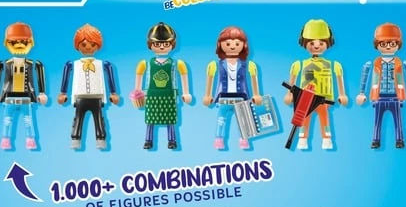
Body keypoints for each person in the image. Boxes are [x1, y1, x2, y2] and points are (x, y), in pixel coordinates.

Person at [283, 19, 348, 150]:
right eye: (312, 43)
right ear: (304, 43)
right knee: (304, 118)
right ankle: (302, 139)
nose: (316, 46)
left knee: (324, 118)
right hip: (305, 99)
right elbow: (292, 82)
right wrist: (289, 94)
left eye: (321, 43)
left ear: (328, 43)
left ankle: (327, 139)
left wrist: (342, 95)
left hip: (324, 99)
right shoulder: (300, 64)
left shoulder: (333, 65)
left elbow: (339, 79)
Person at [130, 22, 191, 150]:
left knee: (170, 119)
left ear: (172, 44)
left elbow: (184, 75)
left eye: (166, 44)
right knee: (150, 119)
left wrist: (186, 93)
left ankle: (172, 140)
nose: (162, 47)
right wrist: (137, 92)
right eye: (157, 44)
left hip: (170, 95)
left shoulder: (177, 63)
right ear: (150, 45)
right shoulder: (145, 63)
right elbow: (139, 75)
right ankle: (148, 140)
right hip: (151, 96)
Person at [356, 23, 406, 149]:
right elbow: (365, 75)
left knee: (398, 121)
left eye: (392, 43)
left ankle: (399, 140)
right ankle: (376, 139)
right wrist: (362, 93)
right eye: (384, 44)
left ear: (398, 44)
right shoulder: (374, 63)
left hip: (396, 97)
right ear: (377, 44)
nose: (388, 47)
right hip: (379, 97)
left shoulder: (401, 63)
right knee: (377, 121)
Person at [58, 24, 120, 150]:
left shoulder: (102, 64)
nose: (88, 48)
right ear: (78, 45)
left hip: (97, 97)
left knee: (99, 119)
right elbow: (66, 73)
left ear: (98, 45)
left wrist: (113, 93)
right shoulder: (74, 64)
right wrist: (63, 93)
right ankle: (75, 139)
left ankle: (101, 139)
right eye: (84, 44)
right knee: (78, 119)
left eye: (92, 44)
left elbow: (110, 72)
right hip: (80, 97)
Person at [203, 26, 262, 150]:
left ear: (244, 45)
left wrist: (256, 94)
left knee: (244, 121)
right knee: (221, 120)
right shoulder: (215, 65)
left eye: (237, 43)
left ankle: (244, 139)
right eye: (228, 43)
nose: (233, 46)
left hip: (242, 99)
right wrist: (208, 95)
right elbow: (210, 79)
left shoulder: (249, 65)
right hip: (223, 98)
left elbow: (253, 79)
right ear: (220, 45)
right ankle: (218, 139)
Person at [0, 22, 47, 150]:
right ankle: (5, 139)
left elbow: (39, 74)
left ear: (31, 42)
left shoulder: (33, 64)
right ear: (6, 43)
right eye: (14, 42)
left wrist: (42, 93)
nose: (19, 45)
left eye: (24, 41)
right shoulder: (4, 64)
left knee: (28, 120)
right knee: (7, 120)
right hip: (9, 98)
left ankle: (30, 139)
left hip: (26, 99)